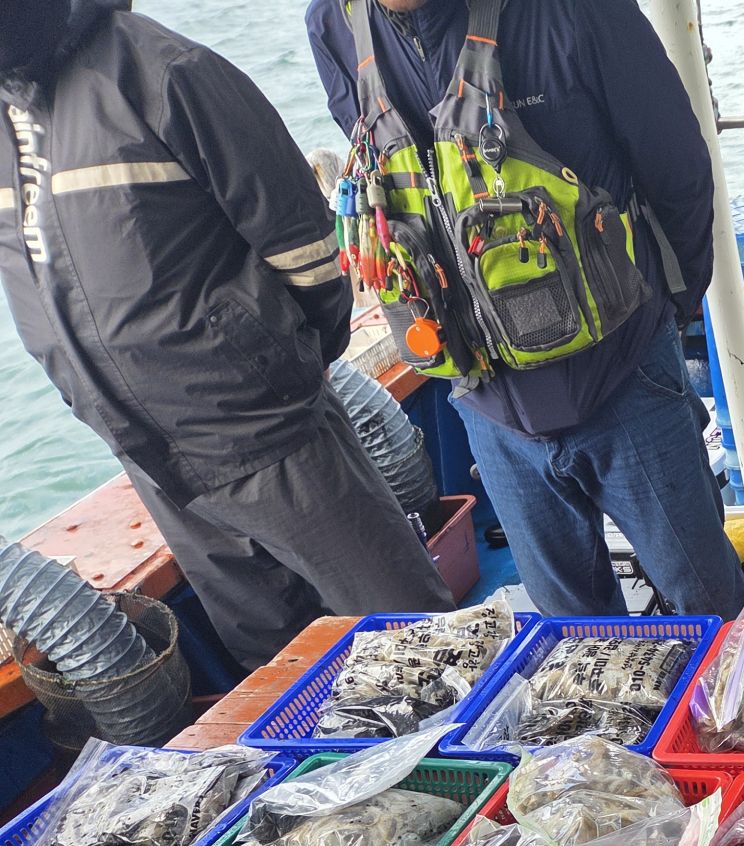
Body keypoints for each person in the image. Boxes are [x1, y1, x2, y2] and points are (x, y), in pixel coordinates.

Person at [0, 0, 453, 672]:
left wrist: (277, 369)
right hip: (150, 456)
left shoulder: (169, 72)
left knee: (417, 639)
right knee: (277, 665)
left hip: (262, 427)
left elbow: (306, 247)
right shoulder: (10, 111)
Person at [306, 0, 744, 623]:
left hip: (625, 378)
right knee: (575, 638)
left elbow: (677, 167)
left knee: (712, 606)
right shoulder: (333, 25)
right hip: (488, 408)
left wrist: (667, 314)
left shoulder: (574, 11)